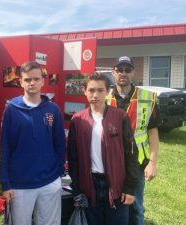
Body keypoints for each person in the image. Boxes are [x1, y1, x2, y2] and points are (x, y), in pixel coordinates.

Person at [67, 72, 140, 225]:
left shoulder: (120, 117)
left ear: (107, 92)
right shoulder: (77, 119)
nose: (95, 94)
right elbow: (73, 158)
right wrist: (77, 190)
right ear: (84, 91)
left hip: (117, 188)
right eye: (91, 90)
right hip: (90, 186)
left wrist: (130, 188)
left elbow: (131, 154)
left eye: (100, 90)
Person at [0, 61, 66, 225]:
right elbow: (5, 148)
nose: (32, 83)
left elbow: (60, 144)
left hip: (49, 181)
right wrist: (5, 183)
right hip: (20, 184)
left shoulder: (53, 109)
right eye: (28, 79)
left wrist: (57, 173)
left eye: (36, 79)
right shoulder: (11, 110)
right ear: (20, 81)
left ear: (43, 81)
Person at [109, 56, 159, 225]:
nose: (123, 73)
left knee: (136, 206)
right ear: (113, 72)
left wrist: (153, 162)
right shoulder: (104, 96)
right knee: (113, 203)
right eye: (119, 69)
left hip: (137, 162)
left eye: (127, 69)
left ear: (133, 72)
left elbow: (152, 132)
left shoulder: (148, 97)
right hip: (111, 160)